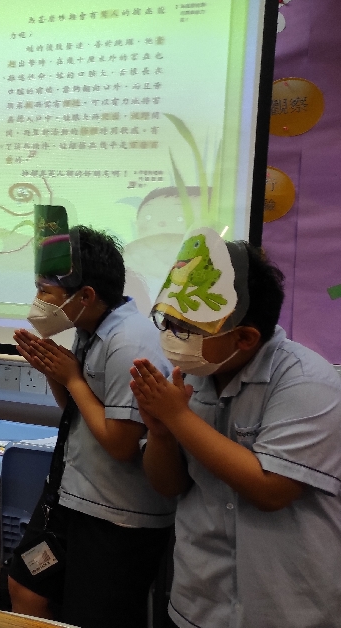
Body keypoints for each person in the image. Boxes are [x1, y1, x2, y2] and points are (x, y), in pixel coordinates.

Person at [130, 234, 341, 628]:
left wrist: (177, 418)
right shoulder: (191, 376)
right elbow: (169, 485)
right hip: (197, 602)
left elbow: (270, 490)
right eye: (167, 321)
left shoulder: (307, 381)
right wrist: (160, 433)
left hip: (285, 610)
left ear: (245, 338)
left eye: (185, 328)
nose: (170, 336)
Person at [7, 215, 176, 628]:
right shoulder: (88, 327)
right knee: (26, 587)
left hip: (115, 517)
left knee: (91, 616)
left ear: (85, 295)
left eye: (45, 291)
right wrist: (54, 371)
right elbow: (76, 408)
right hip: (70, 496)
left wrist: (71, 378)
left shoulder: (130, 343)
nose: (38, 300)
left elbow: (120, 444)